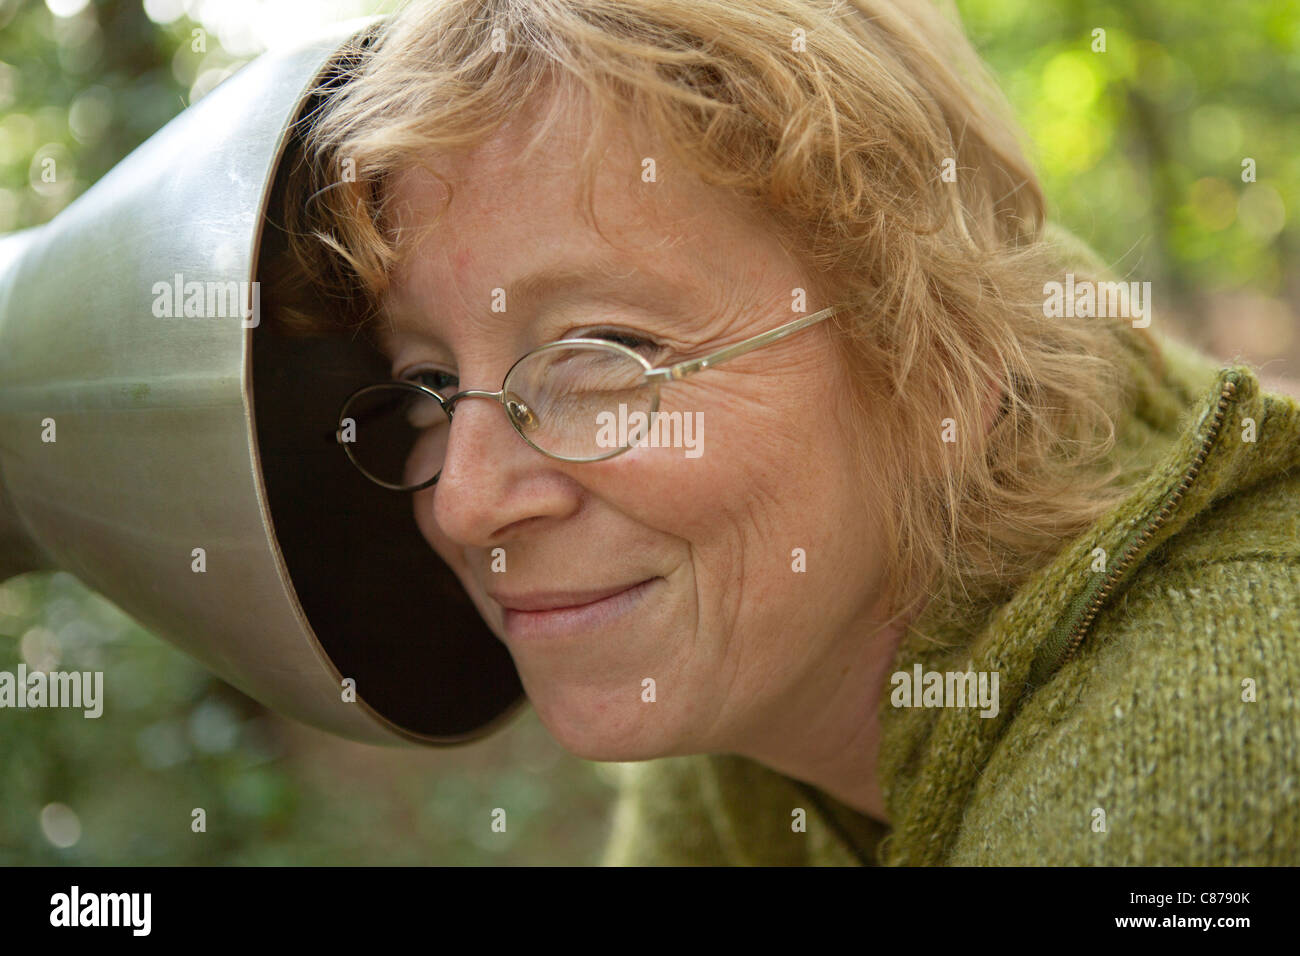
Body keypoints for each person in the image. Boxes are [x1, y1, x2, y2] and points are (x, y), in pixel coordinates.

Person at [273, 0, 1300, 864]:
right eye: (431, 384)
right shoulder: (755, 687)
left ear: (939, 351)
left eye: (604, 355)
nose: (465, 500)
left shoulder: (1207, 747)